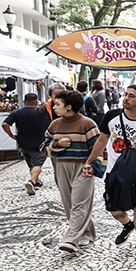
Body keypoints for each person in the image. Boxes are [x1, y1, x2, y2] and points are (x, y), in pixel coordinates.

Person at [82, 85, 136, 260]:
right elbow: (101, 140)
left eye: (131, 96)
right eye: (125, 95)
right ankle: (127, 225)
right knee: (113, 207)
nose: (126, 98)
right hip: (114, 170)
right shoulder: (111, 116)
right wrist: (89, 162)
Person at [43, 90, 100, 254]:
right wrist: (57, 144)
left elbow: (99, 148)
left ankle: (70, 239)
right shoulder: (55, 125)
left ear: (69, 107)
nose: (54, 107)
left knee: (79, 203)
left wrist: (93, 166)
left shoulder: (87, 124)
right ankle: (87, 233)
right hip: (62, 166)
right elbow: (44, 148)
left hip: (84, 167)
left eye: (57, 104)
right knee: (69, 204)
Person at [2, 93, 51, 195]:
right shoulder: (41, 112)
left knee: (31, 163)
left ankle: (37, 181)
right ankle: (32, 181)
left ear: (24, 102)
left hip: (23, 141)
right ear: (36, 102)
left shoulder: (17, 113)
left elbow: (5, 124)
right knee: (37, 163)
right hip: (40, 142)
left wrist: (11, 134)